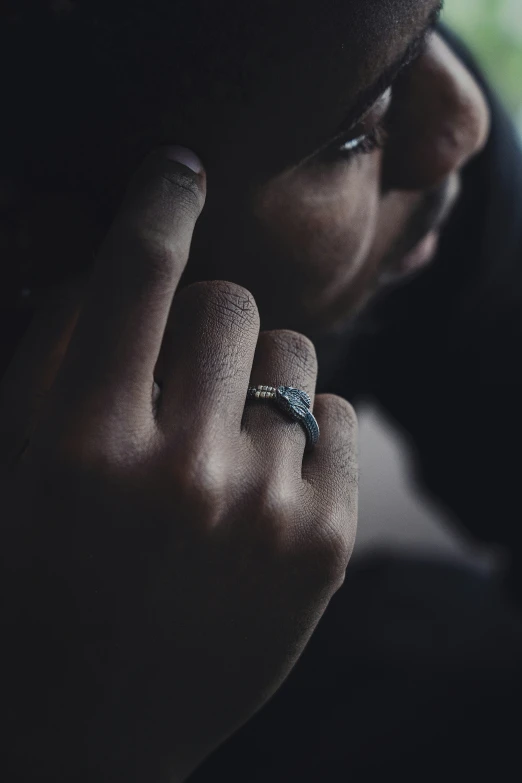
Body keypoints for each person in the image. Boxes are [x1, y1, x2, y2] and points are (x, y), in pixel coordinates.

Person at [1, 1, 521, 780]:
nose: (464, 122)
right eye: (355, 133)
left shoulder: (351, 89)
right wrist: (86, 745)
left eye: (435, 25)